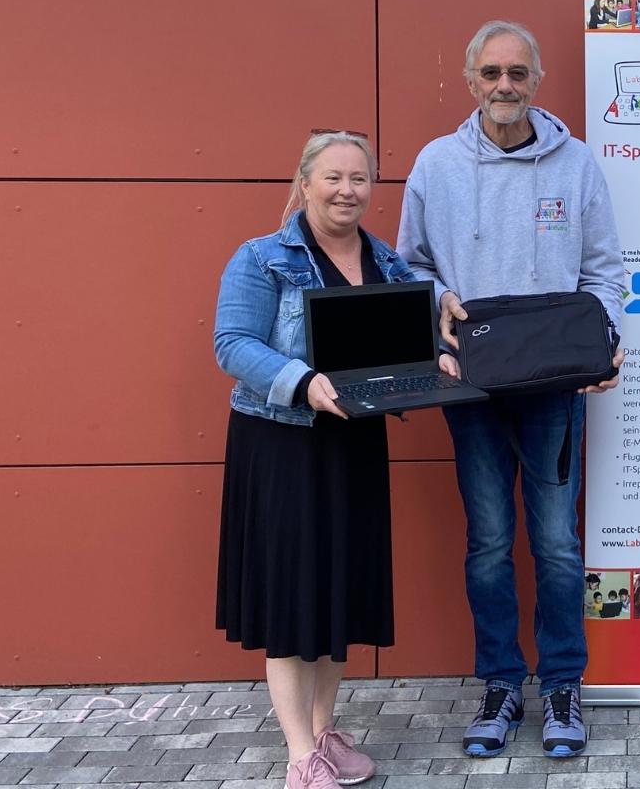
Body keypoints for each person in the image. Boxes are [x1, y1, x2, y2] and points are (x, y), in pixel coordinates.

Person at [397, 20, 626, 761]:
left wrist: (606, 341)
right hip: (473, 387)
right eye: (491, 72)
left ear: (537, 81)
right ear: (470, 80)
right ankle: (500, 682)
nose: (505, 86)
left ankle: (563, 685)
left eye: (517, 74)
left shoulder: (577, 165)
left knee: (557, 545)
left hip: (555, 389)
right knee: (490, 543)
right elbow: (410, 268)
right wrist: (438, 311)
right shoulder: (436, 165)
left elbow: (605, 272)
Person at [213, 130, 427, 789]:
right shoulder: (262, 258)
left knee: (339, 591)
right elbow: (233, 345)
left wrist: (435, 361)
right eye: (332, 177)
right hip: (284, 443)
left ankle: (325, 729)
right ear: (304, 182)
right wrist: (303, 381)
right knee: (291, 596)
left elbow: (406, 342)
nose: (346, 190)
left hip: (354, 443)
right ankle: (299, 753)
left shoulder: (388, 262)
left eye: (359, 179)